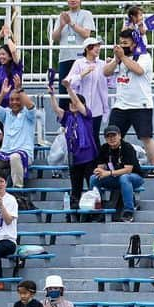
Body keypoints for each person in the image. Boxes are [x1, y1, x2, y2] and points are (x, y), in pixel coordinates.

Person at [103, 29, 154, 175]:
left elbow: (138, 70)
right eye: (121, 42)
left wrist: (123, 58)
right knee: (112, 135)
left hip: (141, 104)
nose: (122, 45)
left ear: (134, 44)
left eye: (126, 43)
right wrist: (116, 60)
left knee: (145, 136)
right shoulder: (120, 59)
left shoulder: (144, 56)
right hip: (121, 104)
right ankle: (113, 165)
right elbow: (106, 72)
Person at [48, 81, 98, 211]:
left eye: (76, 103)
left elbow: (78, 104)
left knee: (92, 186)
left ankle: (94, 210)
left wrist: (69, 88)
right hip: (74, 158)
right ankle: (74, 211)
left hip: (88, 157)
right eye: (70, 103)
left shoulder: (87, 116)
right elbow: (56, 109)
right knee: (75, 188)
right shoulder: (67, 117)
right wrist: (52, 95)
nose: (73, 105)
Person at [51, 0, 95, 110]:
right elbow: (55, 37)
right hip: (65, 57)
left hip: (81, 57)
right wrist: (62, 25)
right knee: (64, 88)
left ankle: (84, 117)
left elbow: (86, 34)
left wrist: (71, 23)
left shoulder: (86, 14)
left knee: (82, 88)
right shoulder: (62, 16)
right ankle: (64, 123)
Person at [90, 125, 144, 222]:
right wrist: (99, 170)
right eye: (108, 136)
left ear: (119, 136)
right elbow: (101, 165)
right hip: (115, 177)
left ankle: (128, 211)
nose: (111, 139)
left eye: (114, 135)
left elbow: (128, 170)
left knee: (124, 178)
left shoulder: (127, 147)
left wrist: (108, 173)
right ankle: (97, 208)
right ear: (105, 138)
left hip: (134, 177)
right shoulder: (104, 148)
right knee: (94, 178)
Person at [0, 81, 36, 194]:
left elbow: (30, 106)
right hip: (5, 154)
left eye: (18, 99)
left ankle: (18, 191)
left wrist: (20, 89)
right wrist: (2, 94)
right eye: (12, 99)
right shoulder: (6, 113)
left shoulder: (29, 114)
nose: (14, 102)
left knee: (15, 157)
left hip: (23, 155)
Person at [65, 37, 110, 142]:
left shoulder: (102, 64)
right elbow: (69, 82)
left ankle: (96, 158)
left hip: (96, 107)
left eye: (99, 46)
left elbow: (110, 82)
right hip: (81, 107)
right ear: (87, 48)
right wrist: (82, 74)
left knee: (94, 136)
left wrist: (112, 66)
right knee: (81, 135)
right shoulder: (79, 63)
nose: (98, 48)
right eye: (95, 46)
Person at [0, 23, 23, 104]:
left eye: (3, 54)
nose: (0, 56)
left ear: (10, 57)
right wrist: (0, 35)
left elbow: (13, 51)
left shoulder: (16, 66)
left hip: (12, 105)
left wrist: (8, 36)